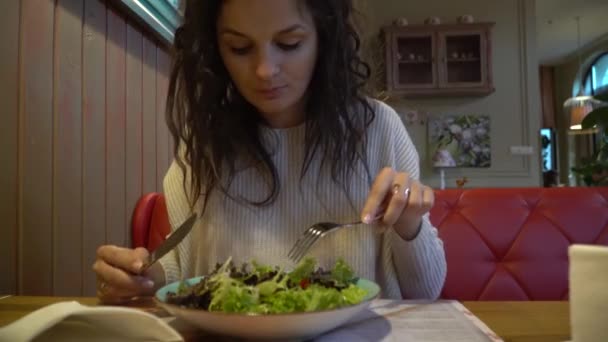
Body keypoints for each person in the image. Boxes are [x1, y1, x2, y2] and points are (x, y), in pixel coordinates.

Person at [93, 0, 446, 304]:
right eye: (240, 48)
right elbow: (182, 269)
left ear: (323, 38)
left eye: (289, 44)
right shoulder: (203, 143)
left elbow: (426, 293)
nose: (265, 71)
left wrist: (409, 225)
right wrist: (144, 275)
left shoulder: (377, 129)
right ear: (216, 49)